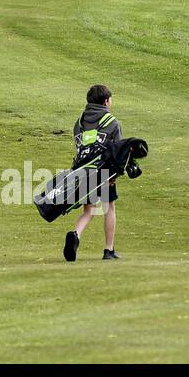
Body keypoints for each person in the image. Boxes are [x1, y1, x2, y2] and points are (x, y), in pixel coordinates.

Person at [63, 84, 122, 262]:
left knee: (88, 211)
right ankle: (108, 250)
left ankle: (76, 234)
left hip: (82, 171)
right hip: (104, 172)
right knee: (109, 207)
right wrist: (115, 175)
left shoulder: (79, 121)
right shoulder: (111, 122)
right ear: (106, 101)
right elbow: (118, 149)